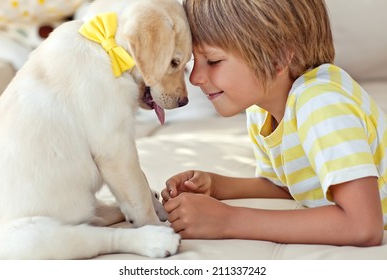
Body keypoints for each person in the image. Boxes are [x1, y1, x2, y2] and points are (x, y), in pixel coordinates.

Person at [161, 0, 386, 246]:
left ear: (278, 58)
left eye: (213, 61)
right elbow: (290, 185)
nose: (195, 78)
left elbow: (363, 225)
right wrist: (215, 186)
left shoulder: (321, 103)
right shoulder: (262, 110)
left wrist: (227, 220)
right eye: (195, 62)